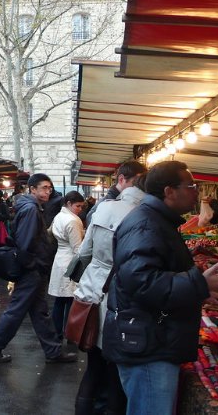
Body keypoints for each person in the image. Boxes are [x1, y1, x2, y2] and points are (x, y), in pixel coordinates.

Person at [102, 161, 218, 415]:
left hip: (149, 338)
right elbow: (142, 282)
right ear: (169, 191)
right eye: (191, 185)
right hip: (148, 345)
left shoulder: (156, 221)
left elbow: (156, 276)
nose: (196, 191)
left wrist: (197, 292)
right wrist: (198, 283)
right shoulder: (146, 224)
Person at [0, 173, 77, 364]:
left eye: (49, 188)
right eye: (43, 187)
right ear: (32, 189)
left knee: (39, 311)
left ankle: (53, 351)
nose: (48, 191)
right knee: (16, 311)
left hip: (34, 268)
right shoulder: (31, 210)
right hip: (31, 269)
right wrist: (34, 265)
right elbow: (25, 244)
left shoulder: (31, 208)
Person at [73, 176, 146, 415]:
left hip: (92, 291)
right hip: (122, 298)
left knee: (93, 367)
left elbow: (84, 253)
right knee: (116, 371)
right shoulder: (143, 215)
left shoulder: (104, 208)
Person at [47, 191, 86, 342]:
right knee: (70, 300)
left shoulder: (59, 216)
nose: (80, 209)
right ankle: (69, 333)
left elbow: (49, 234)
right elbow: (78, 248)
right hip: (70, 261)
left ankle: (57, 333)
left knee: (60, 300)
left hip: (59, 259)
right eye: (78, 206)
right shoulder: (72, 221)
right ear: (69, 203)